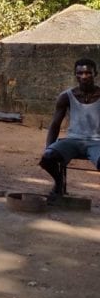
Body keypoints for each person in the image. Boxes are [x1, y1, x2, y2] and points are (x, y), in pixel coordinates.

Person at [39, 58, 100, 200]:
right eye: (80, 73)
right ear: (75, 74)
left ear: (95, 74)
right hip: (73, 140)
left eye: (88, 73)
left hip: (97, 142)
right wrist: (49, 147)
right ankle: (59, 183)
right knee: (48, 158)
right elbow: (55, 124)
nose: (84, 76)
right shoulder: (66, 96)